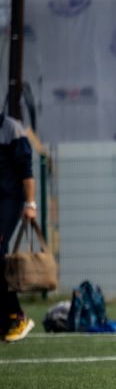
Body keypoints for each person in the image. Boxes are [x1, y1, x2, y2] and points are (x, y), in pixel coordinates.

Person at [0, 115, 36, 342]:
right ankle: (6, 320)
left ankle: (16, 315)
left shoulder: (10, 128)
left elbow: (26, 169)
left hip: (8, 202)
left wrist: (30, 203)